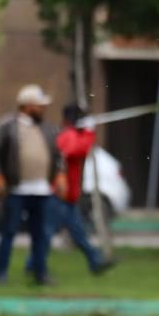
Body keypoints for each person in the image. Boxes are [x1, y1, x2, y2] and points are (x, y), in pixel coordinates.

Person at [0, 84, 65, 285]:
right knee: (9, 232)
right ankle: (1, 273)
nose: (43, 109)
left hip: (41, 190)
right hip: (16, 190)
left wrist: (59, 174)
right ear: (27, 106)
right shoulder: (7, 126)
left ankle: (40, 273)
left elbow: (58, 156)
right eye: (39, 105)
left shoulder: (47, 128)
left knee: (40, 234)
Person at [48, 104, 112, 275]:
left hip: (68, 196)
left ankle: (95, 262)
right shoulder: (67, 135)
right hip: (58, 195)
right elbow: (76, 150)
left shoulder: (73, 134)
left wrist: (85, 133)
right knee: (47, 234)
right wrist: (89, 132)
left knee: (79, 233)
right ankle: (34, 265)